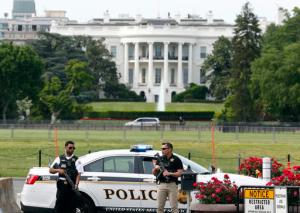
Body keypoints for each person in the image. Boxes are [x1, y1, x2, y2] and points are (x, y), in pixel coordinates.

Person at [49, 141, 82, 213]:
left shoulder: (77, 160)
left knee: (71, 206)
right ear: (65, 148)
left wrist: (76, 185)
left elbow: (79, 174)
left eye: (73, 148)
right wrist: (58, 170)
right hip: (61, 186)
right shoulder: (59, 158)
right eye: (70, 148)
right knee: (59, 205)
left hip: (71, 186)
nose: (72, 149)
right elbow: (51, 170)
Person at [152, 142, 183, 213]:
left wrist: (170, 173)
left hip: (172, 185)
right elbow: (154, 173)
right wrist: (155, 169)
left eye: (164, 148)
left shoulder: (176, 159)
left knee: (174, 207)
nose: (162, 150)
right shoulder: (160, 159)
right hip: (162, 184)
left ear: (170, 149)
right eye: (161, 149)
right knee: (159, 207)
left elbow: (180, 173)